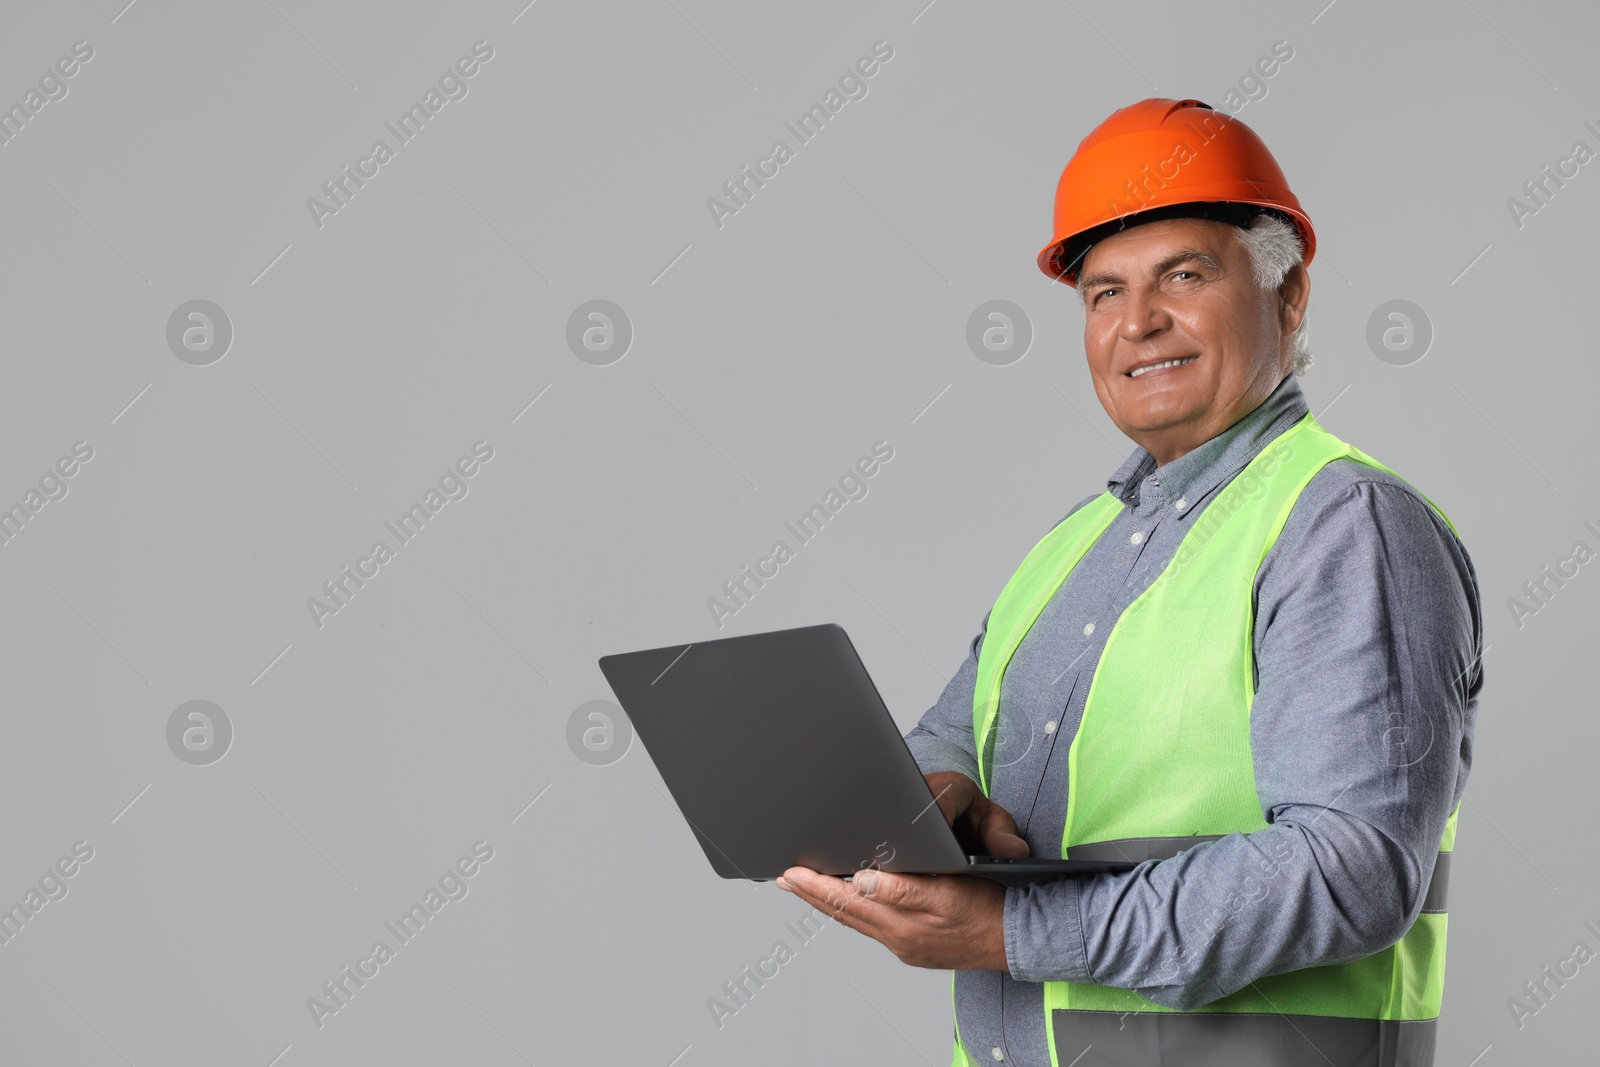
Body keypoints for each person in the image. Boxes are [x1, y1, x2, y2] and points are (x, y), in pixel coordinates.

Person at [776, 97, 1484, 1067]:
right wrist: (931, 797)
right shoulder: (1074, 545)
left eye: (1183, 275)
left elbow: (1350, 870)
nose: (1138, 322)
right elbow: (952, 737)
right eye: (1103, 293)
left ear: (1289, 295)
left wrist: (1009, 932)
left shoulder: (1341, 525)